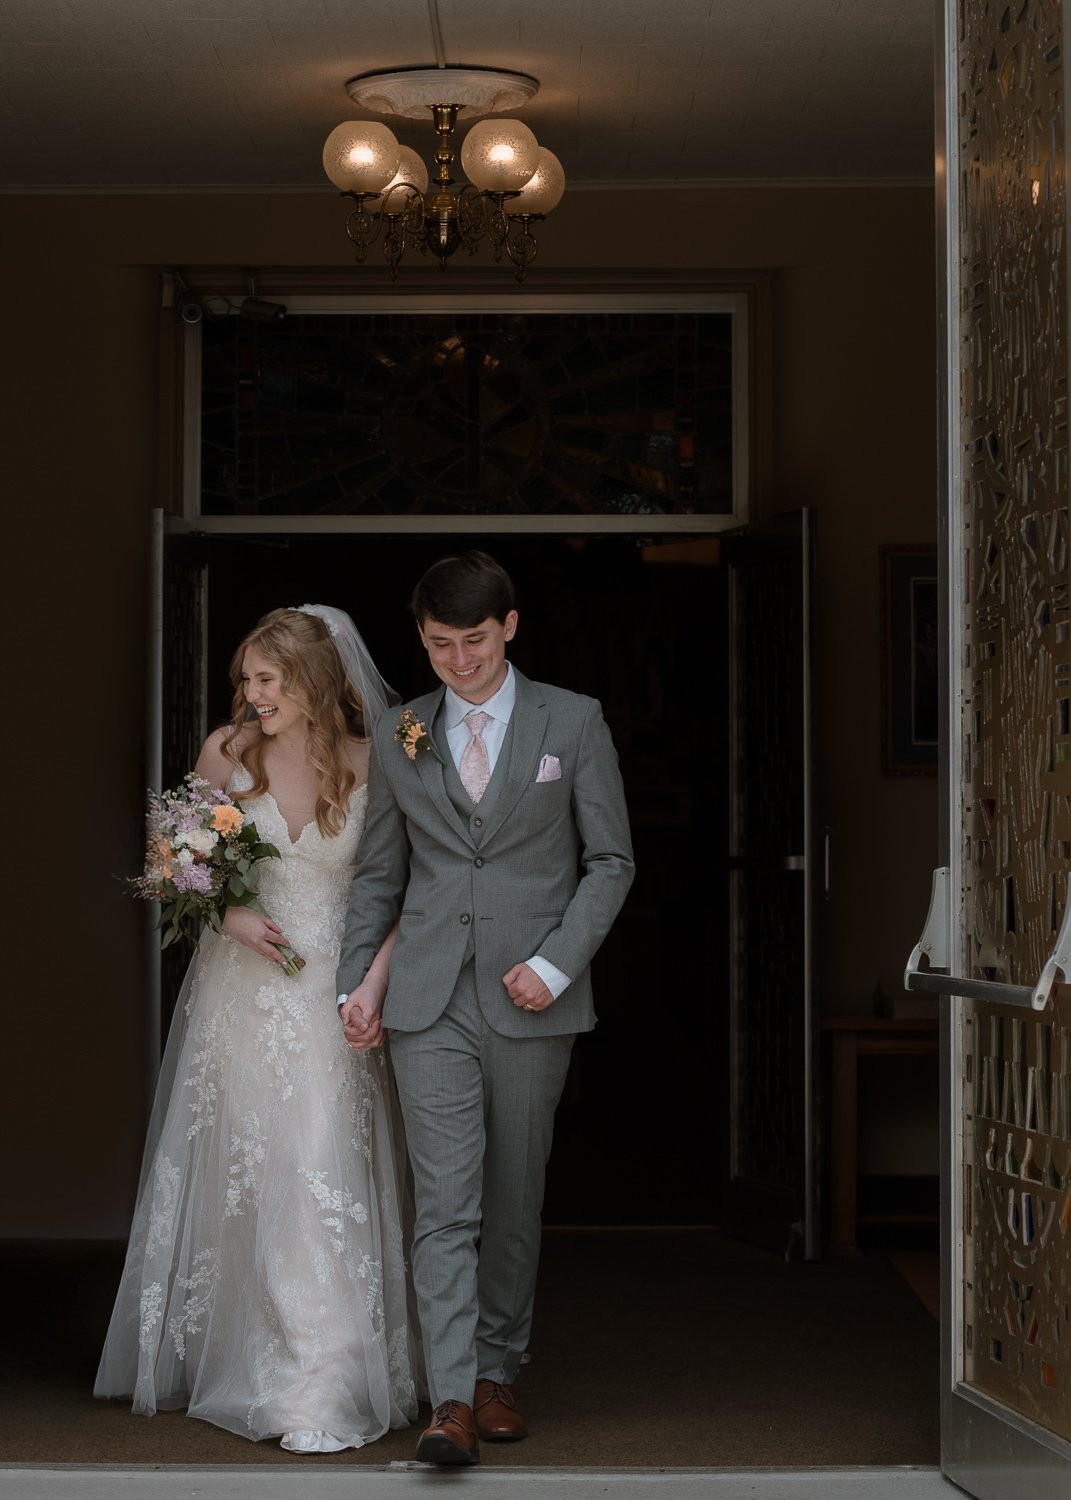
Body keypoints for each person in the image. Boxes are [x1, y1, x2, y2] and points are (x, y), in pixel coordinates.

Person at [96, 605, 419, 1453]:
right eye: (247, 678)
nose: (252, 693)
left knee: (318, 1164)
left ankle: (322, 1378)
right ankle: (253, 1358)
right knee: (253, 1167)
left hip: (335, 994)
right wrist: (227, 913)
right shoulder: (227, 752)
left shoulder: (374, 760)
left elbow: (403, 886)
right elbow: (173, 858)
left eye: (267, 679)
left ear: (314, 680)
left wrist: (375, 986)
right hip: (242, 993)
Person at [337, 552, 634, 1465]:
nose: (459, 661)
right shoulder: (400, 731)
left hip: (532, 997)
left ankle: (501, 1371)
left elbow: (610, 861)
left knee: (512, 1196)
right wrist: (354, 982)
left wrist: (555, 963)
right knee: (445, 1204)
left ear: (509, 625)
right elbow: (380, 872)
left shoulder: (572, 720)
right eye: (439, 645)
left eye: (474, 640)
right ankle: (453, 1398)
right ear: (419, 638)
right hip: (426, 999)